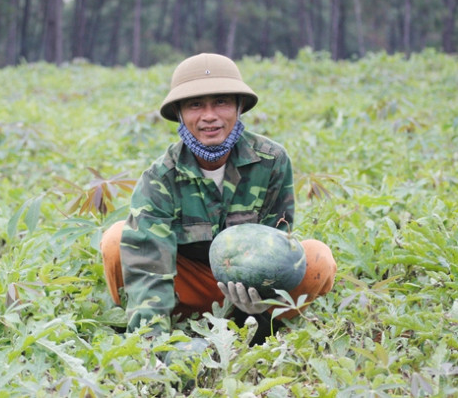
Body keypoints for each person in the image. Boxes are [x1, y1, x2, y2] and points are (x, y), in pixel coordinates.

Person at [100, 53, 336, 344]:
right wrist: (153, 347)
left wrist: (259, 305)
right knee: (117, 241)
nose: (209, 116)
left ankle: (261, 333)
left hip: (250, 289)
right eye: (195, 104)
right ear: (180, 113)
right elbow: (149, 265)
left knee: (317, 259)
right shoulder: (161, 177)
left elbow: (277, 246)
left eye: (221, 102)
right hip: (184, 289)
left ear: (239, 107)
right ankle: (154, 327)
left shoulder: (272, 160)